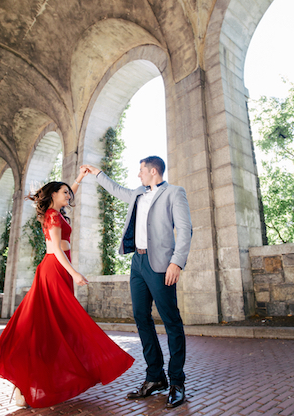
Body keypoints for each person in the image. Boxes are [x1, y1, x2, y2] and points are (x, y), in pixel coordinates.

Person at [0, 173, 134, 408]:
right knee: (56, 324)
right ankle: (24, 383)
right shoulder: (52, 215)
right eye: (64, 193)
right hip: (56, 270)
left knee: (53, 326)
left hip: (58, 269)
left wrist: (79, 178)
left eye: (69, 192)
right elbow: (54, 250)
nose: (69, 195)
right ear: (53, 195)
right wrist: (74, 273)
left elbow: (70, 193)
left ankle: (30, 383)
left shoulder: (56, 211)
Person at [81, 156, 192, 408]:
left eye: (141, 170)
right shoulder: (138, 194)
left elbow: (185, 230)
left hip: (163, 265)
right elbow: (116, 189)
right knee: (141, 317)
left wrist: (177, 262)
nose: (138, 175)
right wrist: (98, 173)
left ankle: (177, 382)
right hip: (138, 263)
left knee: (171, 321)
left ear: (153, 171)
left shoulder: (175, 193)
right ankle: (155, 377)